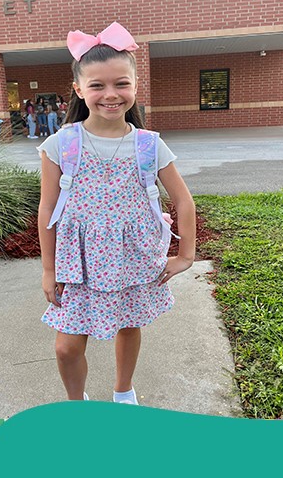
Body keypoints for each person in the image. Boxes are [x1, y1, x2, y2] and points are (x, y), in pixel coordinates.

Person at [36, 22, 196, 405]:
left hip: (132, 257)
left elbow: (184, 200)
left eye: (121, 83)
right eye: (97, 85)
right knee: (66, 347)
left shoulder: (148, 145)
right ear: (79, 89)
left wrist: (186, 255)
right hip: (78, 263)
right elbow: (47, 207)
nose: (111, 94)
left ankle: (123, 392)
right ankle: (78, 404)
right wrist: (47, 268)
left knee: (128, 325)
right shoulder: (62, 144)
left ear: (135, 86)